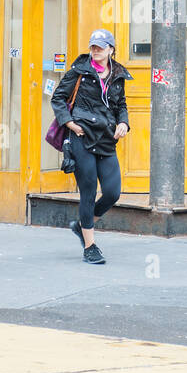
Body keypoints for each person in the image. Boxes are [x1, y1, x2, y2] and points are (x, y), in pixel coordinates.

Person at [51, 28, 131, 264]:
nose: (95, 51)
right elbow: (58, 98)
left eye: (100, 47)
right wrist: (71, 124)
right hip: (82, 137)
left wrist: (124, 122)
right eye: (93, 47)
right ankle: (90, 246)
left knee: (112, 192)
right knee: (88, 192)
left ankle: (82, 225)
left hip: (106, 139)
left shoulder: (116, 74)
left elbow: (121, 104)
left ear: (111, 50)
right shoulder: (79, 71)